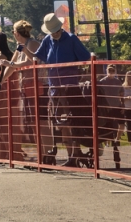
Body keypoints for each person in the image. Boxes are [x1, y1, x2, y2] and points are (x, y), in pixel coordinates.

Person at [34, 12, 92, 166]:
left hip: (70, 88)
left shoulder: (71, 39)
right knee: (60, 123)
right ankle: (72, 156)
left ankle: (76, 153)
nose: (54, 34)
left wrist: (77, 71)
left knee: (72, 122)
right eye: (51, 32)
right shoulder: (48, 40)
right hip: (55, 89)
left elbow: (85, 57)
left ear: (60, 28)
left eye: (56, 31)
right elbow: (37, 56)